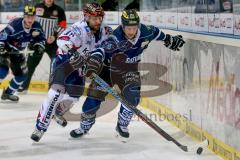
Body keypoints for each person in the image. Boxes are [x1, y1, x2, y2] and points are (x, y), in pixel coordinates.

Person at [60, 9, 185, 141]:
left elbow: (156, 32)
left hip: (129, 70)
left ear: (138, 25)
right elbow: (101, 51)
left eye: (134, 28)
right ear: (122, 26)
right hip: (108, 71)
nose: (131, 31)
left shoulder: (146, 31)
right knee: (92, 101)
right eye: (128, 28)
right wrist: (93, 62)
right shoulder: (115, 38)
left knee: (132, 97)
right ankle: (85, 127)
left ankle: (122, 125)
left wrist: (169, 39)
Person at [30, 2, 113, 142]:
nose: (98, 21)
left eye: (100, 18)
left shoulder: (106, 31)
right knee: (55, 93)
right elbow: (62, 40)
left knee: (74, 96)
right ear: (86, 17)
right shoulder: (78, 29)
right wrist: (73, 52)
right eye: (94, 18)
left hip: (80, 69)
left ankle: (57, 112)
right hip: (64, 64)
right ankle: (40, 127)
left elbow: (109, 46)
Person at [18, 0, 67, 93]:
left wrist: (54, 36)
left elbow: (63, 26)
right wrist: (31, 34)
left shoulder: (59, 10)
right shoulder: (36, 7)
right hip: (36, 43)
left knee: (55, 65)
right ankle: (24, 86)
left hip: (52, 44)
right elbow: (27, 21)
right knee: (30, 65)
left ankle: (52, 88)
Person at [0, 5, 45, 101]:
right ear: (24, 16)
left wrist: (39, 46)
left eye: (32, 17)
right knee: (2, 71)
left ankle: (7, 94)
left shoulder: (36, 26)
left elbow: (41, 39)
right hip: (5, 50)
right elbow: (3, 35)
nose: (30, 19)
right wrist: (1, 45)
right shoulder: (15, 25)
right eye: (28, 17)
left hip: (16, 52)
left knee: (22, 76)